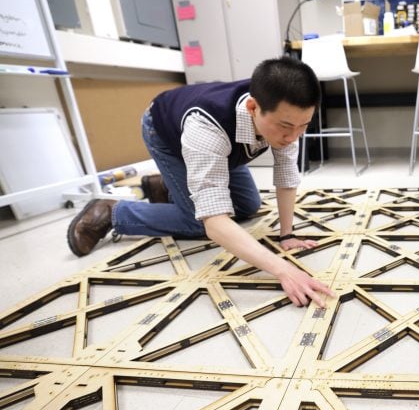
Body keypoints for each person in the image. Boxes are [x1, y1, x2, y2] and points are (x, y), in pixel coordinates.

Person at [67, 57, 334, 308]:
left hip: (221, 148)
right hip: (165, 132)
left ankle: (166, 186)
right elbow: (214, 222)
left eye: (304, 126)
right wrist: (284, 270)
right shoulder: (206, 128)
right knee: (197, 221)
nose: (293, 136)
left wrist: (287, 235)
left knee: (248, 205)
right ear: (253, 108)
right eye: (286, 126)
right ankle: (111, 212)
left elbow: (287, 175)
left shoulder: (287, 116)